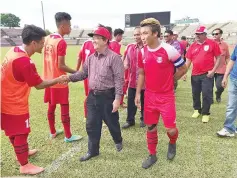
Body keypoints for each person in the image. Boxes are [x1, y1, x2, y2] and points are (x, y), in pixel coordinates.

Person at [1, 25, 67, 175]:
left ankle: (21, 154)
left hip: (5, 99)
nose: (44, 45)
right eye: (42, 42)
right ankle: (24, 165)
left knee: (14, 132)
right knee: (21, 133)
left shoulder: (13, 51)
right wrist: (58, 79)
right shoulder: (25, 62)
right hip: (15, 103)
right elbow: (39, 85)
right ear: (33, 43)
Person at [64, 26, 124, 161]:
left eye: (96, 38)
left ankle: (118, 139)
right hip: (92, 96)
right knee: (91, 124)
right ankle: (93, 151)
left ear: (105, 40)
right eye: (93, 38)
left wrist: (117, 98)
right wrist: (69, 78)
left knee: (112, 123)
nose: (93, 41)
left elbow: (119, 80)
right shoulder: (90, 58)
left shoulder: (114, 58)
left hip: (108, 96)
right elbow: (83, 73)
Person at [135, 18, 187, 169]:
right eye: (141, 33)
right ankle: (152, 154)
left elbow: (183, 69)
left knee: (170, 129)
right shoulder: (142, 52)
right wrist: (138, 93)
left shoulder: (169, 50)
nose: (142, 36)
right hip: (150, 96)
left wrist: (171, 80)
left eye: (145, 33)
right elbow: (142, 74)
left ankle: (172, 142)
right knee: (150, 127)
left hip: (166, 97)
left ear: (155, 33)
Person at [43, 12, 82, 142]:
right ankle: (68, 135)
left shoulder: (47, 38)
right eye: (69, 25)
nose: (70, 28)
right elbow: (61, 65)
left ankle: (52, 132)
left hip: (48, 80)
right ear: (63, 26)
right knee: (64, 107)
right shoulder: (61, 42)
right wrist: (75, 72)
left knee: (51, 106)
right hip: (59, 80)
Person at [185, 26, 221, 123]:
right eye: (196, 33)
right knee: (195, 93)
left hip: (207, 74)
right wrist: (184, 72)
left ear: (205, 34)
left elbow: (218, 57)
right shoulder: (192, 46)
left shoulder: (212, 43)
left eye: (199, 34)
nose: (197, 35)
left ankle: (205, 113)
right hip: (195, 74)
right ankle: (197, 110)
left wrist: (213, 70)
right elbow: (188, 60)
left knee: (206, 94)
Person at [122, 27, 145, 129]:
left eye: (138, 34)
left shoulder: (148, 48)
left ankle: (144, 119)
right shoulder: (130, 48)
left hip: (146, 82)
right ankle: (130, 120)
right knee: (131, 102)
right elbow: (126, 64)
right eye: (135, 35)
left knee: (145, 102)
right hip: (132, 81)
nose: (136, 37)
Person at [217, 44, 237, 137]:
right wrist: (225, 76)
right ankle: (228, 128)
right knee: (231, 105)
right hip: (234, 79)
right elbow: (232, 60)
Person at [212, 28, 230, 103]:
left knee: (220, 86)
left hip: (221, 69)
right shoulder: (209, 43)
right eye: (213, 34)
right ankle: (210, 99)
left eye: (216, 34)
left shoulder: (225, 45)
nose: (214, 35)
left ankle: (218, 94)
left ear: (220, 35)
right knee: (208, 87)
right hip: (210, 69)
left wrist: (229, 67)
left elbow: (227, 57)